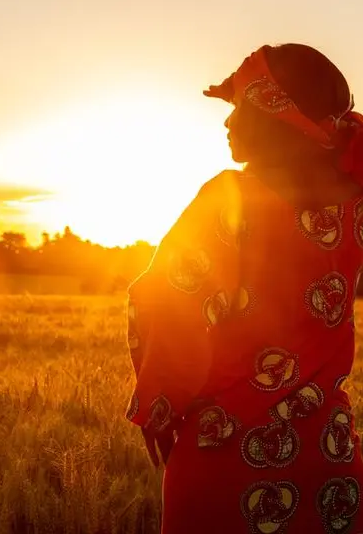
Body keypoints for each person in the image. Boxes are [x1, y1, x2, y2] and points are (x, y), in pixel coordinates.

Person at [125, 43, 363, 533]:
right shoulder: (356, 205)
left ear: (281, 117)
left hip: (226, 456)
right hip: (332, 462)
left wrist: (159, 407)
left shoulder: (229, 200)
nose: (228, 123)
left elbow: (169, 305)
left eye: (240, 109)